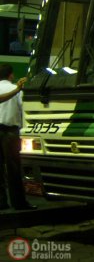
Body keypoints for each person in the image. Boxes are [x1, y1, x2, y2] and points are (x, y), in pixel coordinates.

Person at [0, 65, 36, 210]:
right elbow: (24, 109)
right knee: (14, 169)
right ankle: (19, 203)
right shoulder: (15, 89)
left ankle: (2, 203)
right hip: (10, 133)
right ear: (11, 75)